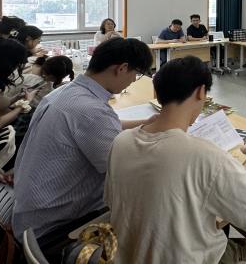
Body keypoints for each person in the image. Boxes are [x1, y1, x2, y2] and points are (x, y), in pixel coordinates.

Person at [105, 56, 246, 264]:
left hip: (127, 254)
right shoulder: (203, 155)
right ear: (201, 92)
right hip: (193, 258)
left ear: (156, 93)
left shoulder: (121, 141)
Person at [12, 38, 156, 251]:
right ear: (122, 68)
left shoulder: (66, 92)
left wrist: (146, 124)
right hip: (56, 231)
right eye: (136, 74)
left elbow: (103, 125)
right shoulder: (91, 111)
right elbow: (125, 173)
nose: (133, 80)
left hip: (32, 214)